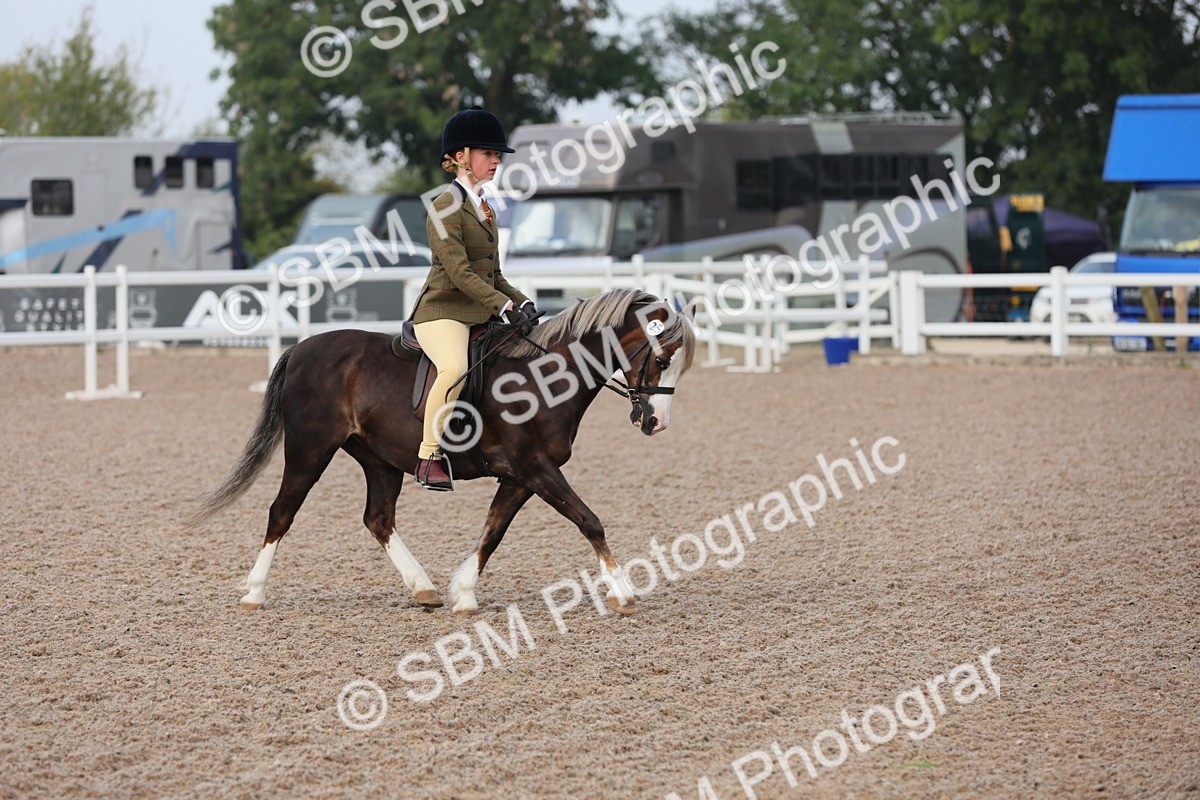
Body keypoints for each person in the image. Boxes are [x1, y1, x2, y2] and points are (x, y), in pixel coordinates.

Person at [410, 107, 538, 491]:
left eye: (497, 155)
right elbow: (459, 272)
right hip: (442, 311)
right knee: (453, 369)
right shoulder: (443, 207)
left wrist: (522, 301)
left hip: (478, 311)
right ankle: (428, 455)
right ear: (462, 156)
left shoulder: (484, 208)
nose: (497, 161)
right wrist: (502, 306)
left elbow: (494, 275)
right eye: (489, 154)